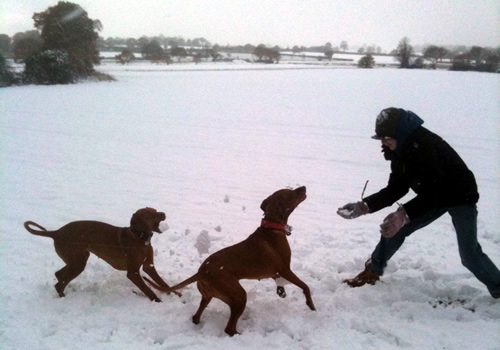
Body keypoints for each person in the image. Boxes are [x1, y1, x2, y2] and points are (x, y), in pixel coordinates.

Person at [337, 107, 500, 299]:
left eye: (386, 137)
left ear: (401, 133)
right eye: (380, 138)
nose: (383, 142)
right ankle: (372, 270)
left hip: (459, 196)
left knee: (469, 255)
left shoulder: (426, 147)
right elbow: (396, 188)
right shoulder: (400, 151)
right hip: (432, 195)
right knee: (393, 227)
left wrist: (403, 214)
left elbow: (435, 192)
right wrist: (364, 206)